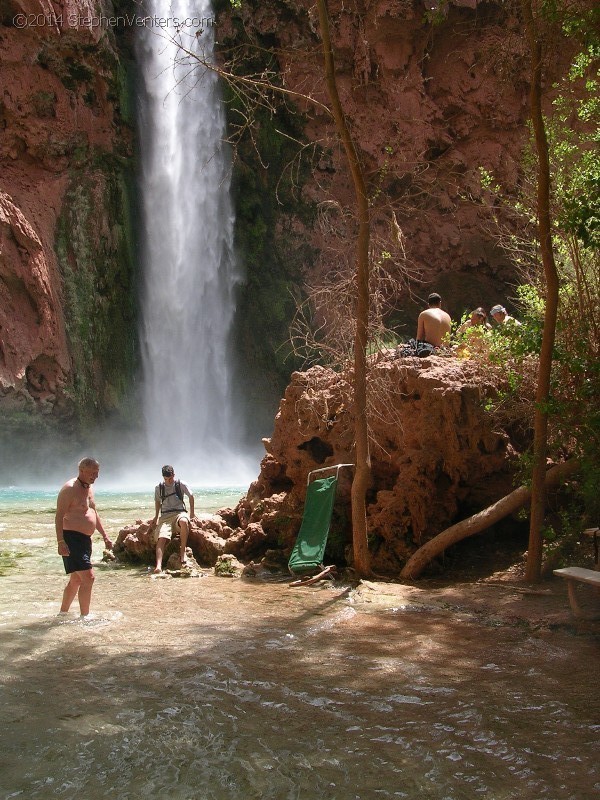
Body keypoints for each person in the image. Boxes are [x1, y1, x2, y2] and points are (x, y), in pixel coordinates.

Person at [56, 457, 112, 619]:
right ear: (82, 470)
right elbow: (59, 516)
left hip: (85, 540)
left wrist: (105, 536)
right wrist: (60, 541)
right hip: (71, 539)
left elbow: (93, 513)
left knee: (76, 580)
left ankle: (62, 614)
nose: (96, 476)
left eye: (98, 472)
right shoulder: (69, 489)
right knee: (89, 578)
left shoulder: (88, 488)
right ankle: (85, 617)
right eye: (93, 473)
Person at [150, 465, 195, 572]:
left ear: (173, 475)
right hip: (165, 516)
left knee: (184, 521)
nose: (168, 481)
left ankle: (182, 552)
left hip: (179, 513)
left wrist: (192, 513)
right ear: (163, 477)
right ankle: (159, 566)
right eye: (166, 479)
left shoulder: (180, 484)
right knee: (161, 537)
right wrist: (156, 516)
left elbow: (191, 496)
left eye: (170, 478)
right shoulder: (159, 488)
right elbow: (157, 502)